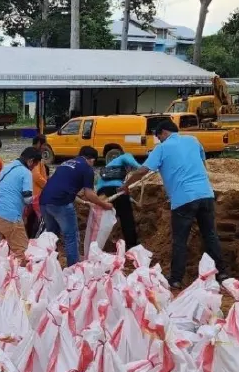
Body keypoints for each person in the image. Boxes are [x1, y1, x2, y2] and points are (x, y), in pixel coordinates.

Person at [140, 119, 227, 289]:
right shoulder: (193, 140)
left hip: (183, 199)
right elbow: (202, 163)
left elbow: (144, 170)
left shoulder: (162, 148)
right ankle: (222, 273)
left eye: (159, 136)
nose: (159, 140)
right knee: (210, 235)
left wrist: (126, 185)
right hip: (205, 195)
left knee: (180, 240)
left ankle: (176, 279)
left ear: (163, 132)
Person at [39, 145, 113, 267]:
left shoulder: (65, 164)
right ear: (92, 159)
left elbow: (64, 187)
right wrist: (104, 204)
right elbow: (89, 193)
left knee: (51, 236)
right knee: (71, 236)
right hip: (60, 203)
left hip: (44, 201)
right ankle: (73, 269)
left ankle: (48, 266)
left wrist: (84, 202)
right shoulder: (87, 168)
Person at [0, 147, 41, 263]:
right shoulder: (25, 172)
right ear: (30, 161)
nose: (33, 168)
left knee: (5, 250)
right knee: (22, 253)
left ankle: (3, 275)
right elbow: (27, 199)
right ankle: (21, 278)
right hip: (9, 218)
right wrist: (37, 198)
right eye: (35, 165)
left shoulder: (7, 168)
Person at [96, 143, 141, 250]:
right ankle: (132, 246)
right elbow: (138, 166)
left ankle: (99, 246)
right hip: (116, 189)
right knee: (126, 217)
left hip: (101, 192)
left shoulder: (109, 166)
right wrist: (149, 168)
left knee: (105, 219)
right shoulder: (125, 156)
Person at [28, 135, 50, 237]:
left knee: (32, 221)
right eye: (44, 144)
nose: (45, 147)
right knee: (33, 221)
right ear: (38, 143)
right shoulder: (35, 156)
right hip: (35, 195)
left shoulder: (32, 154)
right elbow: (36, 176)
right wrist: (48, 186)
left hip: (34, 194)